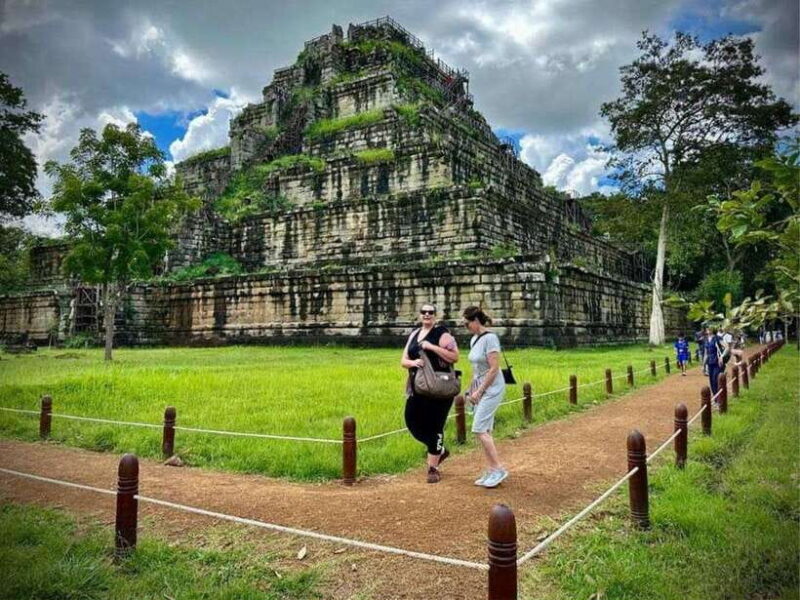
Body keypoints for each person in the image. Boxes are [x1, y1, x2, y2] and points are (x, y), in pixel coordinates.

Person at [400, 303, 459, 484]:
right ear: (419, 315)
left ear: (435, 315)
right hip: (418, 387)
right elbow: (403, 360)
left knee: (435, 425)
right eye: (424, 312)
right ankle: (439, 450)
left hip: (440, 389)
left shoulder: (442, 334)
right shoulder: (414, 334)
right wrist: (414, 363)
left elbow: (455, 357)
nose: (427, 315)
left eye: (430, 312)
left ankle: (433, 467)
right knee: (412, 421)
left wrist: (431, 347)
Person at [463, 306, 508, 488]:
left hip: (493, 388)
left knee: (479, 428)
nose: (466, 327)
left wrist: (480, 391)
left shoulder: (490, 338)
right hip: (481, 387)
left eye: (467, 323)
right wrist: (470, 389)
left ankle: (498, 469)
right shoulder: (474, 339)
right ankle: (491, 469)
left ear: (475, 321)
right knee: (485, 430)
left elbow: (494, 368)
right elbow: (477, 371)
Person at [703, 327, 728, 400]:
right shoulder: (706, 340)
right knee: (711, 380)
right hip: (710, 362)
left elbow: (727, 347)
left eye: (710, 328)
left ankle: (720, 398)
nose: (708, 330)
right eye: (707, 328)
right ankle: (716, 398)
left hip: (718, 362)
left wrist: (722, 356)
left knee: (715, 379)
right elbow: (706, 353)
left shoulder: (717, 338)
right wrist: (703, 365)